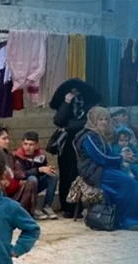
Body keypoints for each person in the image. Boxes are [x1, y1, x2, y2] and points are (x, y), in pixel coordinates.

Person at [75, 107, 138, 231]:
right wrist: (121, 158)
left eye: (106, 119)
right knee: (128, 182)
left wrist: (127, 158)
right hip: (95, 172)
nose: (104, 122)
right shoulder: (88, 137)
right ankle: (126, 220)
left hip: (105, 168)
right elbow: (101, 158)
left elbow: (110, 155)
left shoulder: (100, 135)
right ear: (93, 120)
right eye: (100, 119)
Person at [50, 79, 101, 219]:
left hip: (82, 142)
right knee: (65, 175)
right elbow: (58, 121)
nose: (75, 93)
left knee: (77, 175)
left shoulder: (89, 105)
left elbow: (87, 123)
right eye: (72, 91)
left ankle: (76, 207)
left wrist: (68, 127)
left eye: (77, 90)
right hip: (65, 145)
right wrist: (66, 103)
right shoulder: (65, 103)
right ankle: (66, 207)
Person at [12, 131, 58, 220]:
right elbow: (20, 175)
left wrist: (47, 169)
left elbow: (42, 170)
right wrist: (38, 170)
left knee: (53, 175)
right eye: (25, 144)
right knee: (32, 179)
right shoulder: (17, 156)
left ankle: (47, 206)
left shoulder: (40, 155)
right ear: (22, 144)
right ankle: (34, 208)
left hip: (36, 184)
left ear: (36, 145)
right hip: (22, 188)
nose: (27, 147)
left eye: (31, 145)